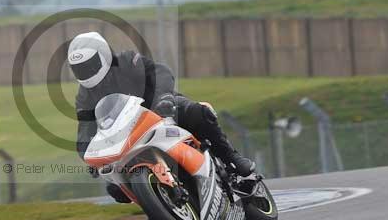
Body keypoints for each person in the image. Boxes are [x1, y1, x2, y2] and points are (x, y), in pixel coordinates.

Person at [68, 32, 255, 204]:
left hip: (161, 108)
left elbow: (160, 71)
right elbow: (85, 129)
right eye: (79, 69)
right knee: (115, 189)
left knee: (198, 112)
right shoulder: (84, 96)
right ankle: (156, 202)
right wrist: (90, 157)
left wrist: (163, 97)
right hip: (128, 136)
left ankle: (232, 157)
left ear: (104, 55)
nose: (85, 72)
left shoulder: (127, 61)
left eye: (88, 66)